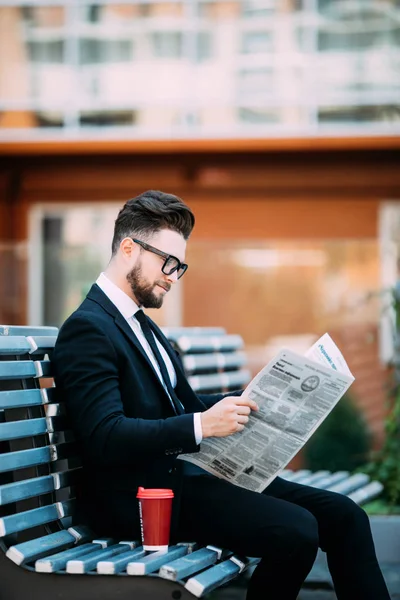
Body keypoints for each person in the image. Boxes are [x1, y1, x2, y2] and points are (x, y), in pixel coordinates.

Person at [53, 190, 390, 600]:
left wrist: (253, 395)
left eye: (180, 267)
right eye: (168, 263)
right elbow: (105, 435)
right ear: (128, 248)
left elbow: (180, 406)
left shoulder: (142, 324)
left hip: (189, 477)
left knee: (346, 516)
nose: (173, 277)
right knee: (296, 532)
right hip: (145, 500)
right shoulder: (88, 328)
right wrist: (201, 425)